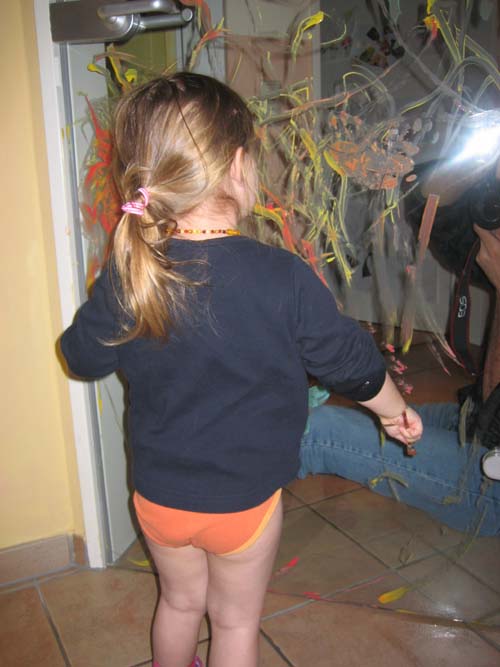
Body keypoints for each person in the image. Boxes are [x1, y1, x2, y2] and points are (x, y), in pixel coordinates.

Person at [60, 73, 422, 667]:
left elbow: (81, 357)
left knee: (178, 603)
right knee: (234, 622)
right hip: (242, 505)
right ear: (236, 165)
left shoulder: (131, 273)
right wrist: (394, 411)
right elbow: (349, 360)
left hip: (159, 498)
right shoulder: (281, 276)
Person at [298, 150, 500, 537]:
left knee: (314, 431)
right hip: (476, 420)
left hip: (491, 483)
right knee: (378, 413)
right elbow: (428, 199)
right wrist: (483, 158)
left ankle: (211, 514)